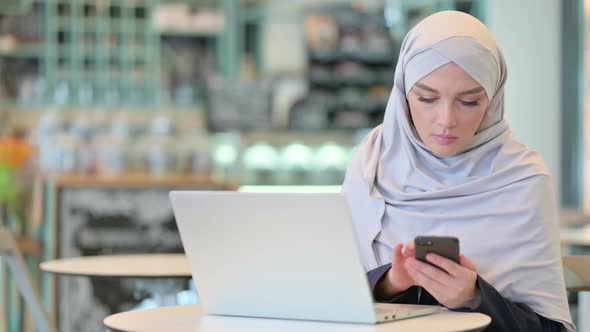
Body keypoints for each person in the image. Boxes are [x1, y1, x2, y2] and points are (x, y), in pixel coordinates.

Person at [342, 11, 574, 332]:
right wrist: (390, 282)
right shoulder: (370, 163)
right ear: (403, 95)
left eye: (468, 102)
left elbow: (552, 329)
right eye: (427, 98)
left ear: (492, 101)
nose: (446, 120)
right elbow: (329, 297)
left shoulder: (523, 179)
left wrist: (474, 296)